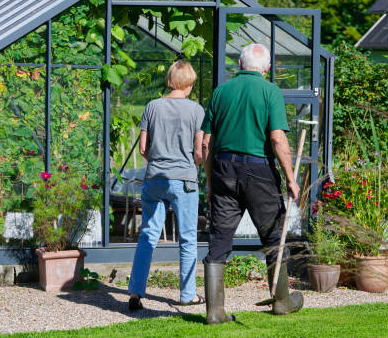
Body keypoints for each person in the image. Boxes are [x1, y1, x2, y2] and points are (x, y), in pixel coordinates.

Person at [200, 43, 302, 324]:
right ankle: (282, 302)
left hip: (223, 169)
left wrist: (211, 182)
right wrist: (291, 179)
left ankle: (214, 311)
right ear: (267, 68)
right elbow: (278, 138)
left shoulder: (221, 92)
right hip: (259, 172)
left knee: (219, 238)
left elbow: (207, 144)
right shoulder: (270, 91)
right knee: (273, 237)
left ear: (240, 65)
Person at [128, 60, 206, 310]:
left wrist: (159, 162)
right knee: (187, 238)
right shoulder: (196, 110)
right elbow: (198, 151)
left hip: (154, 178)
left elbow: (143, 148)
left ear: (171, 80)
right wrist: (192, 164)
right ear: (190, 83)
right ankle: (187, 295)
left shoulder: (152, 106)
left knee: (148, 236)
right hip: (183, 179)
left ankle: (135, 292)